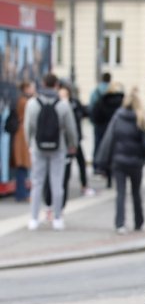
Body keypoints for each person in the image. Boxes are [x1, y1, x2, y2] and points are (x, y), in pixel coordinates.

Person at [24, 73, 78, 231]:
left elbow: (28, 127)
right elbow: (71, 128)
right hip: (58, 148)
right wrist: (72, 144)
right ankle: (57, 218)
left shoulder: (32, 103)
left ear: (42, 83)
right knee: (57, 183)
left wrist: (30, 143)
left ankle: (34, 219)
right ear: (56, 86)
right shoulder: (62, 104)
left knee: (37, 182)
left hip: (38, 147)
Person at [95, 87, 145, 234]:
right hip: (135, 162)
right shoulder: (141, 119)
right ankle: (138, 222)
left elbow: (109, 139)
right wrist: (142, 155)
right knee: (136, 192)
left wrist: (103, 159)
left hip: (118, 161)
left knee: (120, 193)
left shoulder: (117, 117)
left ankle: (120, 223)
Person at [43, 82, 92, 210]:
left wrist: (74, 143)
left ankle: (60, 205)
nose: (64, 96)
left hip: (69, 144)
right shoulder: (59, 106)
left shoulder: (73, 104)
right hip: (58, 145)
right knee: (54, 175)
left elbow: (75, 125)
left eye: (66, 94)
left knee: (67, 173)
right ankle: (50, 204)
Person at [92, 81, 125, 188]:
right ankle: (117, 174)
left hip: (104, 129)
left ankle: (107, 174)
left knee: (107, 152)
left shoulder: (102, 100)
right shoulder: (123, 101)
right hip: (120, 130)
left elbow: (96, 115)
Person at [10, 80, 34, 203]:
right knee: (22, 166)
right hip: (22, 135)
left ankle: (22, 192)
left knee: (22, 167)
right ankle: (22, 193)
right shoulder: (24, 102)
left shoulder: (22, 101)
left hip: (21, 134)